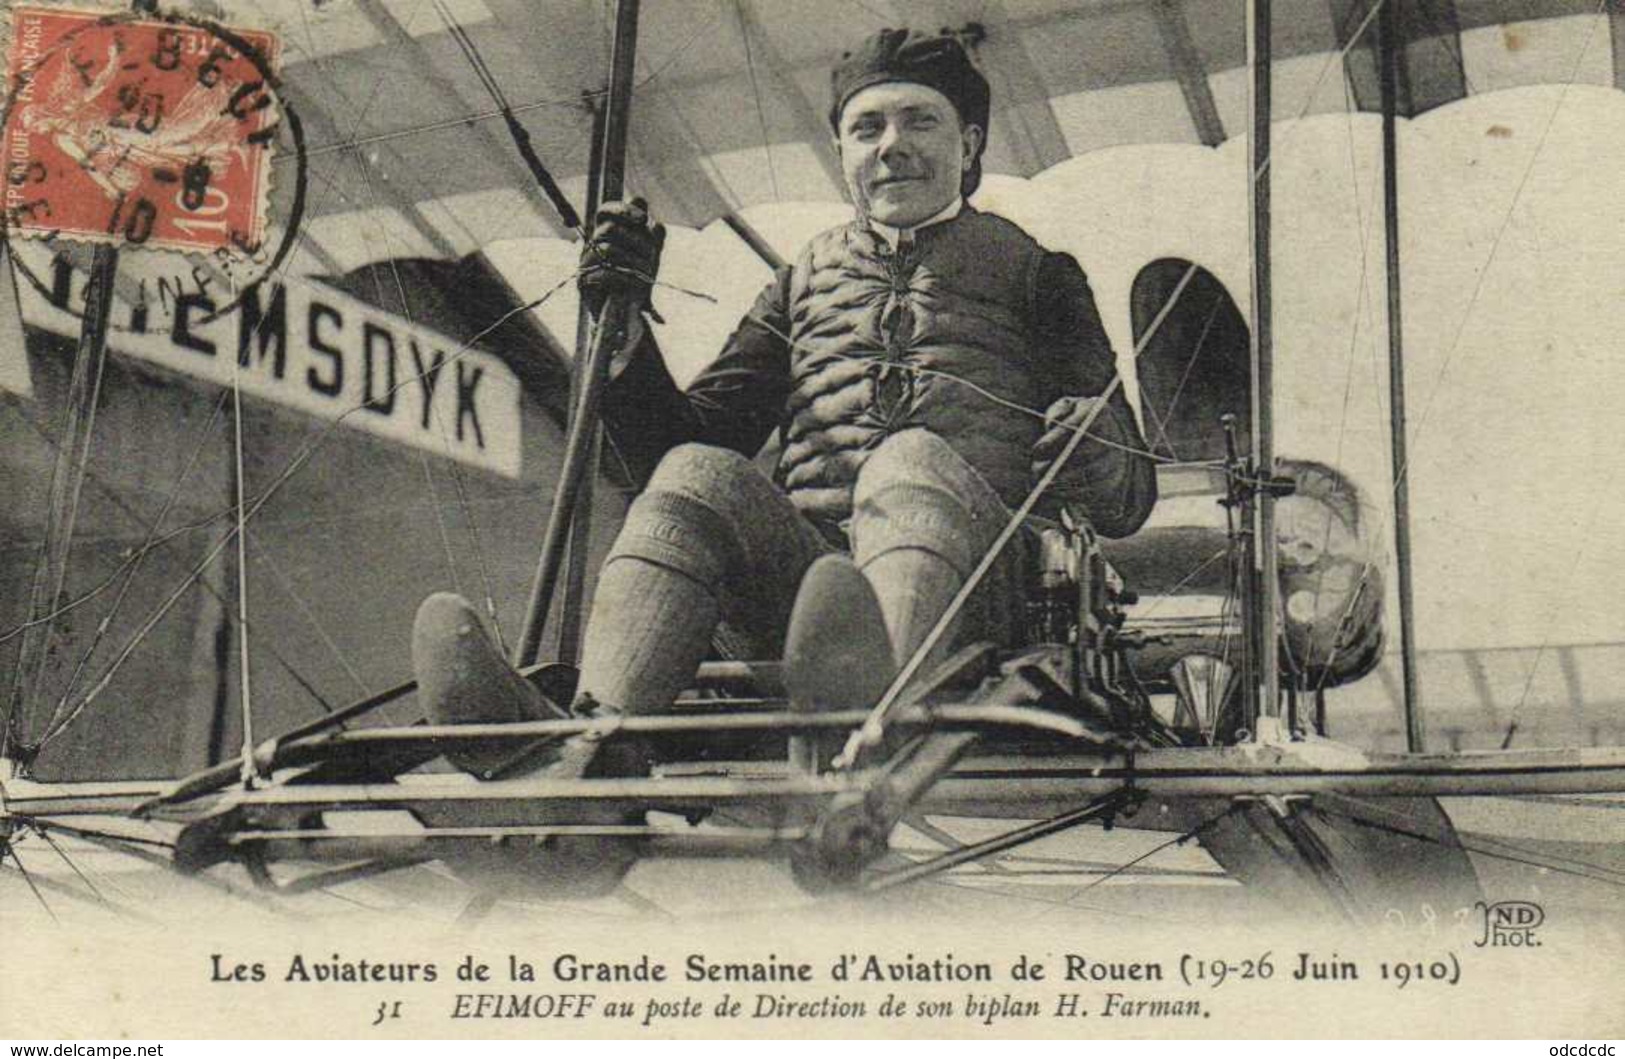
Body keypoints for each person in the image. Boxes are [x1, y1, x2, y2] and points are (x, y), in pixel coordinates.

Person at [412, 27, 1158, 784]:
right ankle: (585, 754)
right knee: (697, 472)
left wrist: (1094, 441)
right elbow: (670, 451)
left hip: (983, 601)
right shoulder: (802, 283)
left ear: (969, 146)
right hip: (811, 602)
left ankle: (872, 733)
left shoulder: (1036, 272)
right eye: (866, 129)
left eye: (918, 121)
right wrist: (626, 333)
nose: (891, 145)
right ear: (842, 156)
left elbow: (1129, 500)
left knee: (906, 458)